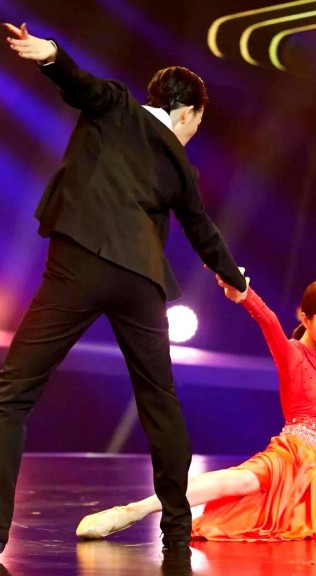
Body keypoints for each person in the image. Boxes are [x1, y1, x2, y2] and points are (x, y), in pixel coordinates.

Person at [0, 23, 247, 554]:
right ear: (187, 113)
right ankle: (176, 532)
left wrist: (50, 54)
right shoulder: (175, 158)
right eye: (197, 124)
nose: (192, 133)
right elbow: (202, 230)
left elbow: (80, 83)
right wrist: (235, 279)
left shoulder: (117, 106)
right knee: (160, 401)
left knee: (13, 394)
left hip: (80, 264)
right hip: (139, 278)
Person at [75, 261, 316, 542]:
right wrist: (242, 292)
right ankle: (136, 510)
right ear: (307, 318)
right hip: (292, 454)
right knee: (238, 480)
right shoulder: (291, 353)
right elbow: (266, 319)